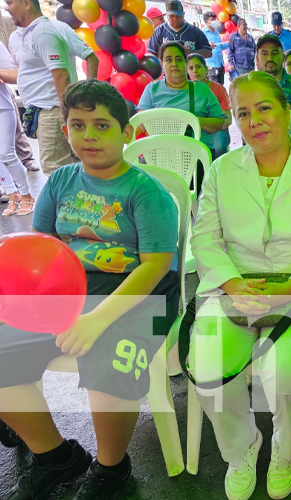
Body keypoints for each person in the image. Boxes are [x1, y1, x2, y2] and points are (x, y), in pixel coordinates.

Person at [0, 79, 180, 500]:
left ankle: (112, 467)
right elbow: (39, 250)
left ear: (127, 133)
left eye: (102, 125)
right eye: (78, 125)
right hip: (65, 293)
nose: (89, 136)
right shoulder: (61, 181)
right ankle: (54, 456)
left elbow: (156, 266)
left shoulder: (145, 191)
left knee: (109, 366)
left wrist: (97, 319)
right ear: (65, 131)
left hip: (141, 294)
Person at [187, 70, 291, 500]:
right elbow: (204, 237)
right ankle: (242, 447)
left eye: (264, 109)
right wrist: (235, 285)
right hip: (234, 288)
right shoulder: (222, 171)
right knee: (206, 365)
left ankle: (286, 449)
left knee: (289, 373)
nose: (254, 120)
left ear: (287, 112)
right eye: (243, 113)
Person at [137, 41, 226, 191]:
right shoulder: (152, 89)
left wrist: (193, 121)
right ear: (162, 63)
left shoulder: (201, 90)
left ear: (185, 63)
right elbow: (142, 123)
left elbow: (219, 123)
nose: (174, 64)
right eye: (168, 60)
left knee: (193, 195)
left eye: (179, 59)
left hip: (194, 157)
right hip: (158, 156)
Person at [5, 0, 76, 177]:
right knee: (67, 166)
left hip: (52, 108)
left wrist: (66, 112)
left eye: (11, 2)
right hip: (41, 109)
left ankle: (66, 204)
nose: (8, 8)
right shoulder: (17, 37)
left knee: (55, 170)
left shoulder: (46, 31)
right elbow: (22, 73)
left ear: (26, 3)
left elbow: (61, 75)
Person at [0, 40, 34, 216]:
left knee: (6, 153)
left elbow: (15, 74)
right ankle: (12, 194)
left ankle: (26, 194)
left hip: (2, 108)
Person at [187, 53, 232, 158]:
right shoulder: (185, 91)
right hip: (194, 130)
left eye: (198, 67)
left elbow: (227, 119)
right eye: (191, 68)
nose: (195, 71)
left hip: (217, 130)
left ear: (206, 69)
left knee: (218, 147)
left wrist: (209, 124)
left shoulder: (218, 89)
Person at [256, 35, 291, 113]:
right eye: (264, 54)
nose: (270, 58)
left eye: (274, 53)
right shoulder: (250, 85)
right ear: (257, 58)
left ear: (283, 57)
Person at [147, 0, 212, 59]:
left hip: (189, 71)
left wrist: (191, 52)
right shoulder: (158, 31)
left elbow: (209, 52)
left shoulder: (194, 31)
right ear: (167, 15)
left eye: (178, 16)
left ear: (183, 14)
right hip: (167, 71)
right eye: (171, 16)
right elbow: (153, 54)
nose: (175, 19)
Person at [202, 11, 227, 85]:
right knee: (214, 89)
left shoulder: (217, 32)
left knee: (221, 88)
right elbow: (199, 47)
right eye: (212, 20)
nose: (215, 21)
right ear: (207, 22)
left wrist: (229, 43)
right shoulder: (203, 32)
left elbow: (220, 46)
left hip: (220, 64)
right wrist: (207, 45)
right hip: (211, 66)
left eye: (215, 19)